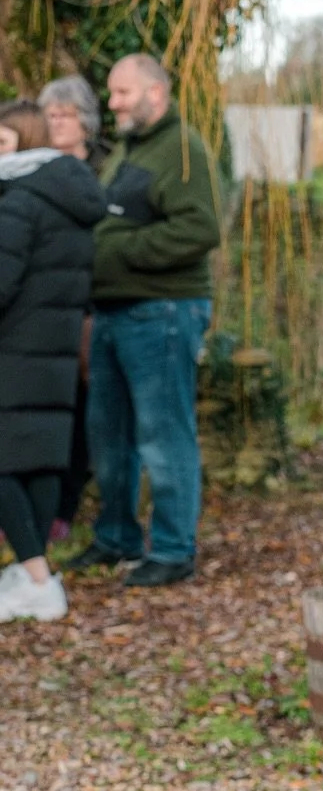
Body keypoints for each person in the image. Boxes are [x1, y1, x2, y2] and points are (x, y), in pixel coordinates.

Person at [67, 55, 221, 587]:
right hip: (113, 312)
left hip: (162, 311)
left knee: (162, 434)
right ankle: (116, 537)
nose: (112, 104)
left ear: (155, 94)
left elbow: (200, 229)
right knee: (108, 435)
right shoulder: (126, 153)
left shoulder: (181, 150)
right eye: (111, 93)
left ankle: (175, 549)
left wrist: (117, 253)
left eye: (122, 93)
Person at [0, 99, 106, 621]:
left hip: (15, 348)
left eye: (1, 141)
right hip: (54, 350)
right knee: (39, 461)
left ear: (24, 140)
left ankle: (38, 580)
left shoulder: (18, 199)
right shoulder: (67, 196)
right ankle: (32, 576)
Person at [39, 75, 109, 536]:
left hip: (91, 307)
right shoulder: (35, 167)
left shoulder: (104, 170)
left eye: (66, 114)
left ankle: (67, 506)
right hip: (43, 307)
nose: (58, 122)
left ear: (84, 120)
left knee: (86, 411)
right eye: (50, 115)